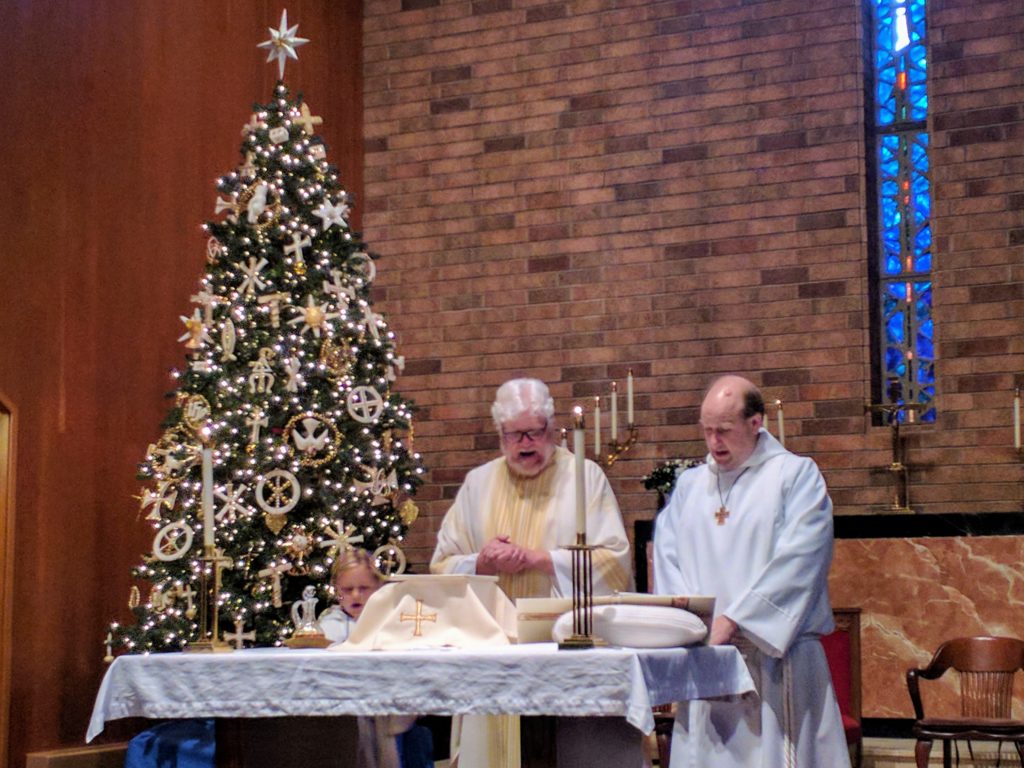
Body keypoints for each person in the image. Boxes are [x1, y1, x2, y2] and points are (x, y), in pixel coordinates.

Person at [430, 377, 633, 768]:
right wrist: (481, 563)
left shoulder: (584, 477)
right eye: (514, 435)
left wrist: (541, 560)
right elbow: (441, 566)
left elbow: (615, 561)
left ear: (552, 429)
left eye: (534, 433)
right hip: (493, 653)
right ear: (500, 435)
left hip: (567, 650)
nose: (525, 444)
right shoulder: (478, 483)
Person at [653, 374, 850, 768]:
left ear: (756, 422)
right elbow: (666, 554)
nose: (714, 443)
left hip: (775, 659)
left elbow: (801, 560)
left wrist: (736, 620)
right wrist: (693, 622)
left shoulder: (795, 476)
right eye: (707, 431)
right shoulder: (691, 486)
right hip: (707, 655)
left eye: (724, 431)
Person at [320, 549, 434, 768]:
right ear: (336, 592)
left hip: (396, 717)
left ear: (379, 589)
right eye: (347, 589)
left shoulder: (394, 622)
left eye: (363, 589)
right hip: (347, 718)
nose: (355, 595)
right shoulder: (328, 628)